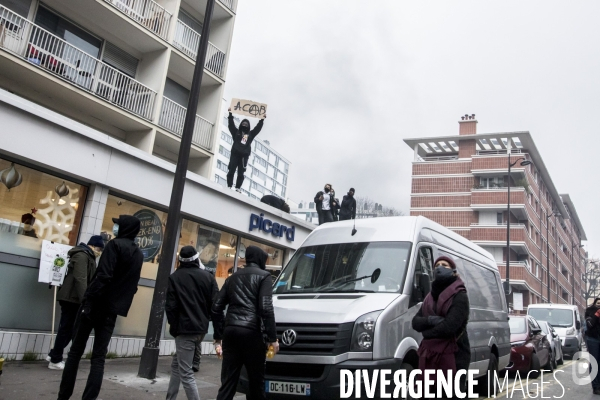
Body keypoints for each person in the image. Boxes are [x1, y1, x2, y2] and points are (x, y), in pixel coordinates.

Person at [57, 215, 144, 400]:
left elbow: (103, 276)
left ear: (124, 228)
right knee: (98, 358)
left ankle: (63, 396)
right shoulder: (137, 254)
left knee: (75, 353)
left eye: (118, 225)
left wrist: (88, 299)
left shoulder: (115, 246)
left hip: (95, 305)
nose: (115, 228)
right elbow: (133, 285)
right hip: (112, 311)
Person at [212, 246, 279, 400]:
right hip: (252, 333)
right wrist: (272, 338)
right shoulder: (264, 277)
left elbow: (216, 308)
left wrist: (219, 335)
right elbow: (265, 308)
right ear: (260, 259)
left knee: (228, 383)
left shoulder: (232, 278)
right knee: (256, 383)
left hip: (231, 333)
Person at [411, 256, 470, 398]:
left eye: (444, 265)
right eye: (437, 265)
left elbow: (450, 327)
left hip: (455, 356)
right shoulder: (429, 298)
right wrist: (432, 320)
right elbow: (415, 322)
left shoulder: (460, 296)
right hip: (430, 355)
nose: (439, 268)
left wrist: (426, 333)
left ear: (454, 272)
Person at [166, 246, 218, 400]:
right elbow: (215, 304)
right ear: (196, 259)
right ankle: (170, 397)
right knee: (177, 365)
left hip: (184, 330)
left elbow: (171, 307)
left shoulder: (175, 278)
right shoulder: (208, 277)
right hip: (200, 330)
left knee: (186, 373)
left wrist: (175, 328)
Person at [47, 235, 105, 370]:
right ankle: (55, 359)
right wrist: (85, 299)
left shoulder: (87, 256)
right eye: (98, 248)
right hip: (71, 298)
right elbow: (81, 279)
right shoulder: (82, 256)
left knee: (69, 328)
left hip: (73, 298)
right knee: (67, 328)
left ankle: (54, 355)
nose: (99, 252)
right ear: (92, 246)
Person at [226, 107, 266, 192]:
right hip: (235, 155)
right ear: (241, 124)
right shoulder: (236, 132)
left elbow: (257, 129)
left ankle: (237, 187)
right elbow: (231, 125)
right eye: (243, 123)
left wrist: (262, 120)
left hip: (244, 157)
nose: (244, 125)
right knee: (231, 170)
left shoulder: (250, 135)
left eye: (246, 124)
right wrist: (230, 114)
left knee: (241, 173)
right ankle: (229, 185)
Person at [584, 297, 600, 394]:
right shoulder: (589, 311)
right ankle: (595, 386)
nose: (599, 305)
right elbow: (589, 325)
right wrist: (597, 315)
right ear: (594, 303)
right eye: (598, 303)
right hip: (592, 339)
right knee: (594, 362)